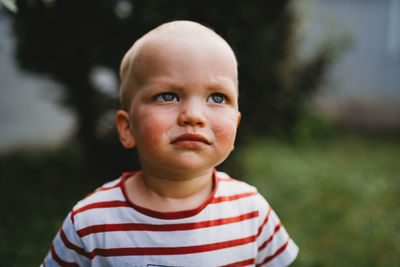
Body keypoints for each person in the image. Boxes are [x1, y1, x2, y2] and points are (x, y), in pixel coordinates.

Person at [42, 20, 298, 266]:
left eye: (217, 98)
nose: (194, 116)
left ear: (236, 124)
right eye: (168, 96)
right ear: (128, 128)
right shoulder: (91, 222)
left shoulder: (251, 212)